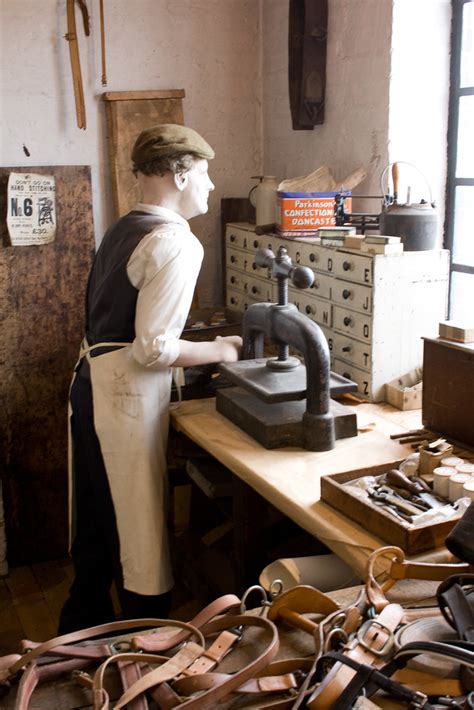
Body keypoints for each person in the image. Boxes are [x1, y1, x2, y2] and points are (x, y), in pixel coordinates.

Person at [58, 124, 242, 633]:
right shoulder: (175, 241)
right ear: (180, 173)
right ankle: (144, 642)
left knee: (98, 515)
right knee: (138, 530)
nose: (208, 184)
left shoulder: (126, 226)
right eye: (203, 173)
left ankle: (79, 632)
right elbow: (154, 346)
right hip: (125, 397)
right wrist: (220, 349)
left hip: (92, 383)